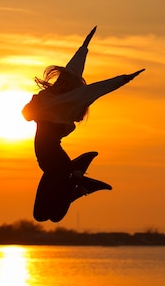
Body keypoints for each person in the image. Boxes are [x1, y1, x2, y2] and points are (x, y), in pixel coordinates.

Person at [22, 27, 144, 223]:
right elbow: (72, 68)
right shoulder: (46, 98)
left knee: (47, 216)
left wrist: (123, 79)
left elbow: (96, 89)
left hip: (53, 163)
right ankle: (78, 180)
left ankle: (79, 175)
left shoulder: (63, 102)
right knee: (47, 215)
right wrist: (84, 47)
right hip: (54, 162)